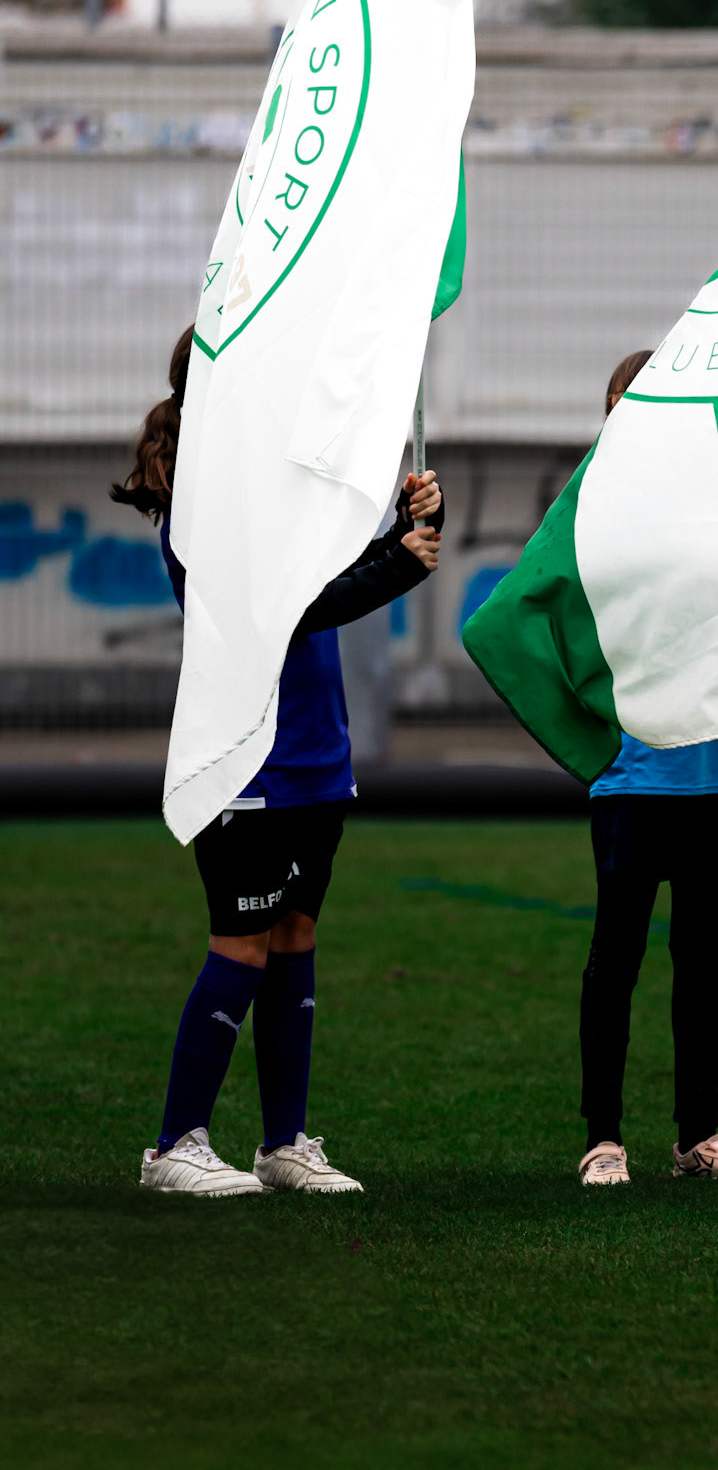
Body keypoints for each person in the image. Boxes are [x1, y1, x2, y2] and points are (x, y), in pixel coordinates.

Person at [111, 325, 445, 1197]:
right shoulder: (205, 503)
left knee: (294, 937)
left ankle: (283, 1142)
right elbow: (284, 611)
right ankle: (174, 1146)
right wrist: (396, 570)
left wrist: (409, 533)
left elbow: (324, 582)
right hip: (245, 761)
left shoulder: (271, 488)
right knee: (243, 944)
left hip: (313, 757)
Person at [576, 348, 718, 1187]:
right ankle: (603, 1140)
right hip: (631, 771)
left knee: (704, 958)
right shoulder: (592, 511)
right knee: (616, 954)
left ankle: (701, 1136)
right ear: (614, 410)